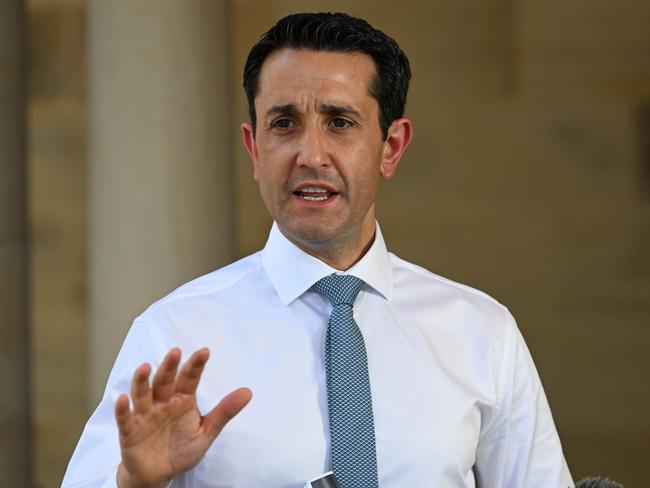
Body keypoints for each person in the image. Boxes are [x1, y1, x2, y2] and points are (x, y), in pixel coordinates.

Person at [63, 12, 574, 488]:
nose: (311, 155)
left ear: (391, 146)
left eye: (340, 122)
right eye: (284, 123)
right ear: (254, 148)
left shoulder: (483, 333)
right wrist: (136, 483)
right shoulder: (173, 333)